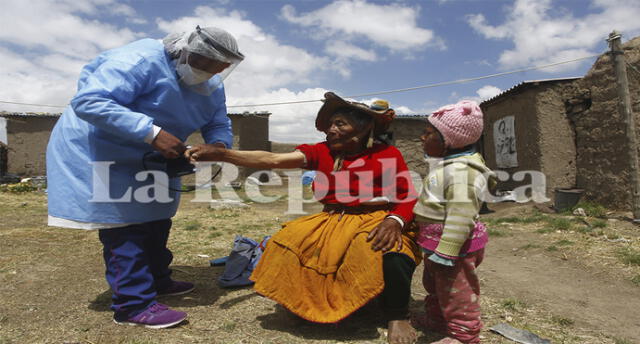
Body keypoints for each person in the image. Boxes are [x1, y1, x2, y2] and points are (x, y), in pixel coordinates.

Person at [46, 25, 244, 328]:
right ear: (185, 51)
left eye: (216, 69)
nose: (206, 74)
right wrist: (151, 132)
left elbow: (218, 121)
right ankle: (131, 305)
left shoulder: (212, 85)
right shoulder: (138, 60)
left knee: (156, 219)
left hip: (153, 155)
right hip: (103, 150)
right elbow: (89, 101)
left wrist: (218, 146)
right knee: (125, 226)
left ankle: (158, 280)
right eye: (202, 65)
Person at [185, 92, 422, 344]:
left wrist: (394, 221)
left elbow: (406, 196)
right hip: (332, 218)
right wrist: (223, 155)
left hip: (374, 218)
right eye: (331, 123)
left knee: (390, 252)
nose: (331, 129)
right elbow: (272, 158)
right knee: (286, 242)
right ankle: (304, 302)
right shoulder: (320, 151)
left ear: (363, 128)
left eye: (340, 124)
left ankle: (398, 315)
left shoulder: (386, 154)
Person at [411, 100, 496, 343]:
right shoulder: (449, 166)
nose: (421, 137)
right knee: (436, 285)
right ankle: (437, 320)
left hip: (454, 248)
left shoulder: (463, 173)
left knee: (458, 292)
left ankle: (463, 335)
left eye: (428, 133)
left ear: (449, 140)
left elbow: (461, 214)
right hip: (438, 244)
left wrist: (448, 251)